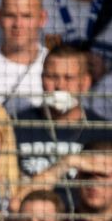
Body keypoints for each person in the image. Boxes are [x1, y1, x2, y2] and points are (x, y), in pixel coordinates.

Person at [11, 41, 98, 176]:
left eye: (68, 78)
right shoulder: (16, 125)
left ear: (85, 83)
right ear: (42, 79)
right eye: (52, 77)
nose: (59, 86)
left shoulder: (104, 131)